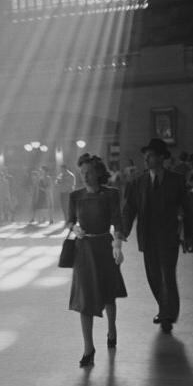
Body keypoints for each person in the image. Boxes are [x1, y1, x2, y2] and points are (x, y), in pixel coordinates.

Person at [121, 138, 193, 334]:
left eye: (151, 154)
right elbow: (130, 209)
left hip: (169, 236)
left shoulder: (176, 180)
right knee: (153, 277)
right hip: (147, 237)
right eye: (145, 155)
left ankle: (168, 314)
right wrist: (123, 231)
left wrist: (190, 235)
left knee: (167, 276)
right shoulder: (138, 182)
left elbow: (188, 208)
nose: (146, 158)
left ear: (162, 157)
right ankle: (164, 308)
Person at [66, 154, 127, 367]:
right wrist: (75, 229)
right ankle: (88, 348)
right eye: (82, 172)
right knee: (85, 299)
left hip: (104, 247)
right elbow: (70, 220)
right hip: (84, 250)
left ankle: (111, 328)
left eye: (89, 172)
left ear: (99, 173)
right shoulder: (76, 196)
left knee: (108, 293)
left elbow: (118, 222)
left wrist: (117, 246)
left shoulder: (111, 194)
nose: (85, 176)